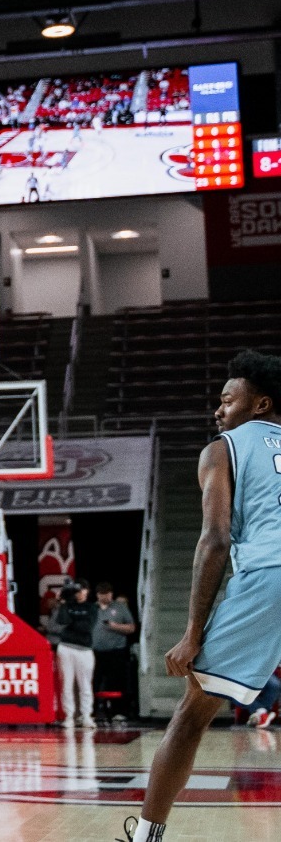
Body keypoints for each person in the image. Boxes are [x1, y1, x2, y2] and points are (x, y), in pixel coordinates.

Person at [132, 354, 281, 838]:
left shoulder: (224, 449)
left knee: (192, 713)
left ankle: (146, 837)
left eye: (226, 399)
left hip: (268, 573)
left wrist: (193, 632)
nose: (218, 410)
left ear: (260, 404)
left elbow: (215, 539)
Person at [49, 581, 98, 729]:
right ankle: (69, 716)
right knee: (67, 684)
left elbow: (87, 627)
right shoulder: (67, 606)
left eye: (82, 589)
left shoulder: (91, 607)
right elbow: (61, 621)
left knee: (85, 685)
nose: (79, 593)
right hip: (66, 647)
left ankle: (87, 715)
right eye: (76, 590)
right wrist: (63, 602)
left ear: (87, 591)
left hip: (84, 649)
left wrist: (72, 623)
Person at [93, 582, 137, 719]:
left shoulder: (120, 607)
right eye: (101, 594)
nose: (104, 597)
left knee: (117, 681)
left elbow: (131, 628)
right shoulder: (92, 609)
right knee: (93, 681)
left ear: (111, 594)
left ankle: (118, 711)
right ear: (97, 595)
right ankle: (92, 712)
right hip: (95, 652)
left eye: (107, 593)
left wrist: (114, 626)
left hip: (116, 651)